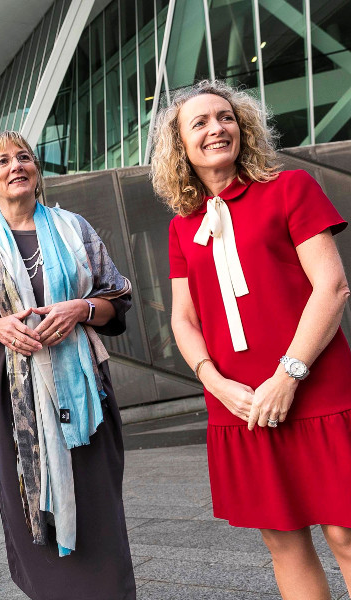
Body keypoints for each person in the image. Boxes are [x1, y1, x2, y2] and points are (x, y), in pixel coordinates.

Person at [152, 79, 351, 599]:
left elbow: (332, 287)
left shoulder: (291, 188)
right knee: (282, 538)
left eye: (226, 117)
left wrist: (289, 376)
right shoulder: (181, 226)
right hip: (238, 403)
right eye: (200, 122)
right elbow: (183, 320)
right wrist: (215, 384)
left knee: (345, 530)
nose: (218, 128)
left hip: (316, 386)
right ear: (180, 144)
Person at [0, 131, 135, 600]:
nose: (15, 165)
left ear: (37, 171)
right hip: (14, 407)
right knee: (29, 502)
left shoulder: (75, 228)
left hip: (85, 398)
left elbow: (117, 300)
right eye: (1, 161)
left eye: (23, 157)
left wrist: (80, 309)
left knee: (98, 503)